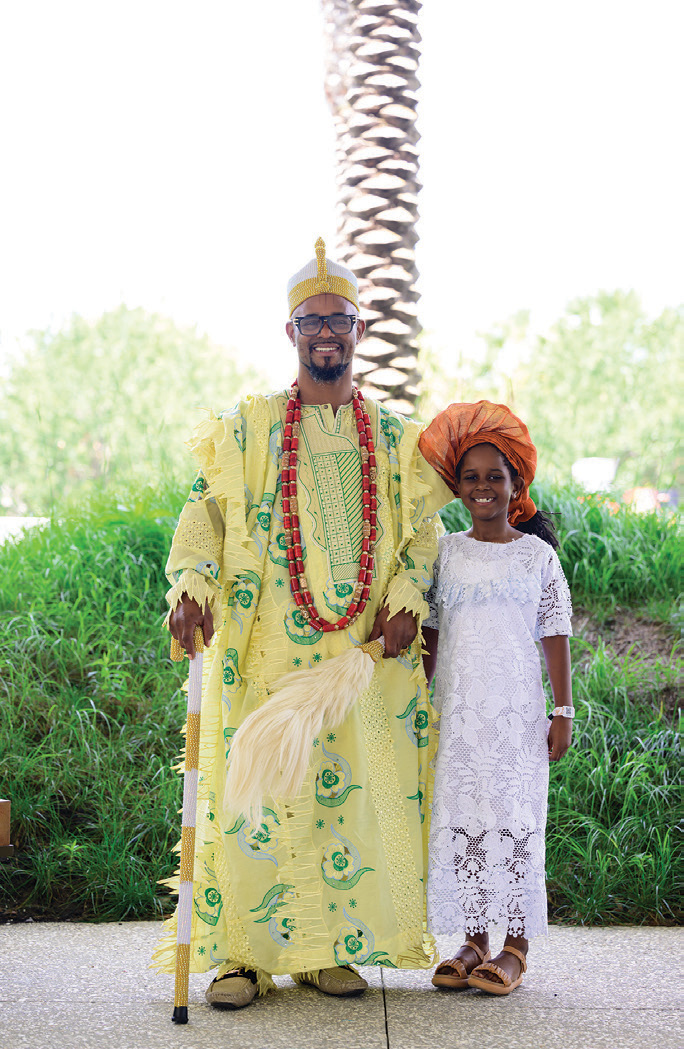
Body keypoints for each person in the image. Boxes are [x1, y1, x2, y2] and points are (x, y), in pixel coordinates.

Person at [152, 238, 453, 1009]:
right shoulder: (250, 428)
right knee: (254, 801)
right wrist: (193, 582)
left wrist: (407, 598)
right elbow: (205, 512)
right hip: (264, 653)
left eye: (338, 321)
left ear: (359, 330)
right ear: (291, 331)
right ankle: (240, 958)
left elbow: (425, 532)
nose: (326, 334)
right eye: (312, 321)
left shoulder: (396, 439)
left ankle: (326, 951)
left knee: (342, 803)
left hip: (354, 659)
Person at [418, 401, 574, 996]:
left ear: (516, 485)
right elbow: (431, 632)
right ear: (457, 486)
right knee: (466, 823)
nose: (482, 486)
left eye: (494, 476)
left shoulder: (536, 556)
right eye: (471, 477)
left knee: (514, 822)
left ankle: (516, 947)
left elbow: (555, 633)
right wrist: (419, 703)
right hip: (458, 714)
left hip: (515, 717)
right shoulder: (447, 553)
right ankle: (474, 939)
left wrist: (562, 711)